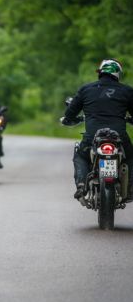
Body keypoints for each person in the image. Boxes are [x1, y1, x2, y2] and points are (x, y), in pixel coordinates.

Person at [63, 59, 133, 200]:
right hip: (119, 136)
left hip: (92, 137)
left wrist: (68, 119)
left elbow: (70, 114)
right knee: (131, 157)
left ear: (100, 72)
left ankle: (82, 184)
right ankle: (130, 188)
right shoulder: (127, 91)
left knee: (81, 156)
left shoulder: (86, 89)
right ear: (117, 73)